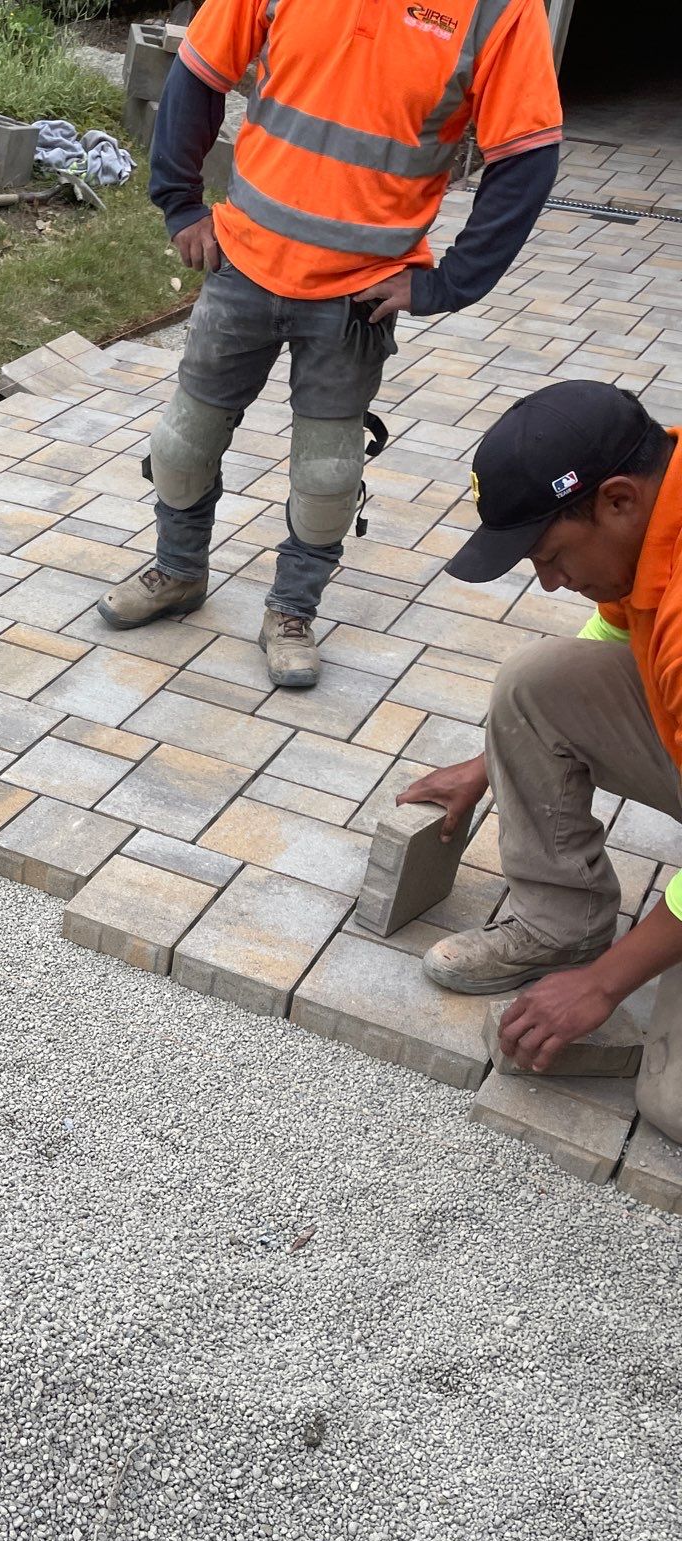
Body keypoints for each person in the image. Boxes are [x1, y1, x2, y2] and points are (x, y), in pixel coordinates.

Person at [100, 0, 563, 692]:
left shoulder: (500, 11)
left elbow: (527, 156)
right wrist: (181, 203)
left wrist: (451, 283)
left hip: (359, 296)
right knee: (181, 445)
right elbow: (198, 72)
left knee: (326, 476)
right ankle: (178, 570)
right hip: (245, 264)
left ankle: (291, 611)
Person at [400, 382, 682, 1139]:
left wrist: (605, 985)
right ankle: (562, 926)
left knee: (675, 1104)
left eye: (551, 555)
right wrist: (490, 759)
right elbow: (613, 643)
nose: (550, 581)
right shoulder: (662, 504)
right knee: (534, 683)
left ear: (617, 501)